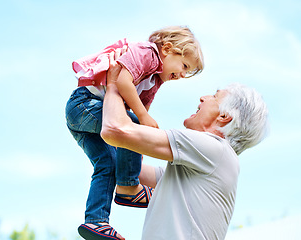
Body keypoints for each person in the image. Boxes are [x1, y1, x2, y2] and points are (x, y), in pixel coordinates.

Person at [100, 53, 269, 240]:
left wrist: (115, 84)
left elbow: (114, 130)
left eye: (214, 96)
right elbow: (126, 169)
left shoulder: (214, 148)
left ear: (224, 116)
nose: (203, 97)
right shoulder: (201, 166)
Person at [66, 26, 204, 239]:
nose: (183, 74)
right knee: (133, 124)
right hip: (85, 105)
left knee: (107, 163)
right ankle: (128, 186)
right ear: (167, 49)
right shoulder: (147, 52)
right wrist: (142, 118)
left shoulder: (155, 81)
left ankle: (96, 221)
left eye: (188, 72)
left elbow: (137, 114)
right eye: (184, 65)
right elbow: (122, 81)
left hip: (92, 118)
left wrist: (143, 123)